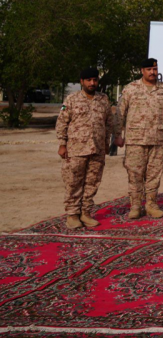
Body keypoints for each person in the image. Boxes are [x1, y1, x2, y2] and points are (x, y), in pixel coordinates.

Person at [57, 67, 118, 229]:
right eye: (89, 80)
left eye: (95, 80)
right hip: (76, 149)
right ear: (82, 82)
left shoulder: (103, 99)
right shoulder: (71, 99)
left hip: (97, 149)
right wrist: (62, 143)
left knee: (92, 182)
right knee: (73, 182)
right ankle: (72, 214)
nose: (92, 83)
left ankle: (85, 213)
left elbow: (108, 123)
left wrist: (106, 144)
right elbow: (62, 122)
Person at [118, 58, 163, 219]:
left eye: (155, 69)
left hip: (157, 140)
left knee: (154, 174)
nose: (152, 72)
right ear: (142, 70)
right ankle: (135, 206)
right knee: (135, 174)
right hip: (135, 140)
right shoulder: (131, 88)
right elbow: (120, 112)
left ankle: (151, 204)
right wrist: (117, 135)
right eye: (149, 69)